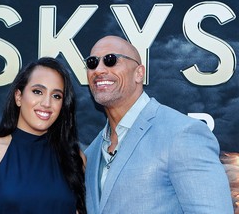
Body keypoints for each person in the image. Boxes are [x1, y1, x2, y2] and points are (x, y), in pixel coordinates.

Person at [84, 35, 233, 214]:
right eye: (92, 63)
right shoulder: (91, 152)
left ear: (139, 73)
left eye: (111, 60)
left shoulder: (182, 134)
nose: (99, 69)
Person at [0, 57, 86, 214]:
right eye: (38, 92)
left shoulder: (74, 158)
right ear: (18, 97)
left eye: (56, 96)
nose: (47, 103)